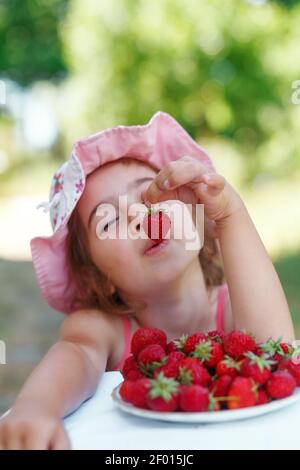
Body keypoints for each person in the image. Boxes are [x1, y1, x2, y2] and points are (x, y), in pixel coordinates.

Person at [0, 111, 294, 450]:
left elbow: (277, 355)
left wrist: (230, 214)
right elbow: (75, 355)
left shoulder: (235, 308)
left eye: (150, 195)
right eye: (108, 221)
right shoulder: (103, 327)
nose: (139, 216)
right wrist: (38, 407)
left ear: (196, 214)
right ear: (98, 278)